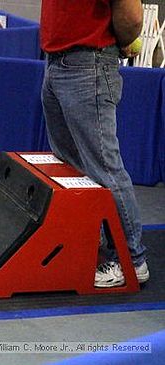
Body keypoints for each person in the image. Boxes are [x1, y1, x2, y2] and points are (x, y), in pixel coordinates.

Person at [40, 0, 149, 287]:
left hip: (88, 65)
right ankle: (93, 241)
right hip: (55, 62)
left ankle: (132, 261)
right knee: (70, 163)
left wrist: (116, 42)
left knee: (104, 168)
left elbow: (133, 17)